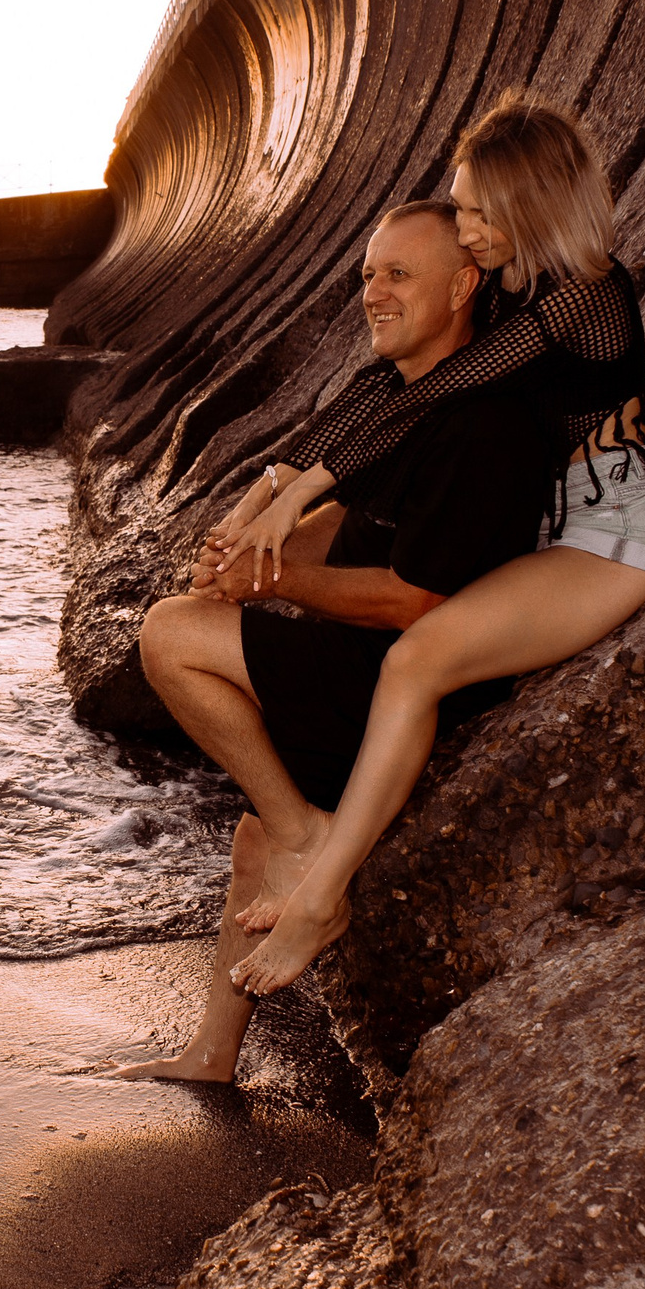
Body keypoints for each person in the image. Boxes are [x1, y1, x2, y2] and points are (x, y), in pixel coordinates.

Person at [209, 89, 645, 1001]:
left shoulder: (587, 294)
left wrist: (304, 488)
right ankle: (310, 858)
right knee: (409, 644)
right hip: (572, 530)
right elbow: (380, 386)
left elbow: (436, 389)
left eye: (474, 210)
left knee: (417, 659)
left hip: (623, 535)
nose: (464, 229)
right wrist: (272, 483)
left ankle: (321, 894)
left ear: (524, 207)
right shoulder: (523, 290)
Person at [108, 202, 549, 1081]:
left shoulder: (482, 422)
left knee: (171, 636)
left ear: (464, 285)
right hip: (361, 652)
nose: (373, 294)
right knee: (247, 843)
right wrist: (253, 550)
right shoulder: (404, 392)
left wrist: (269, 582)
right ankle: (211, 1053)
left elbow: (416, 600)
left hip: (410, 678)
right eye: (366, 275)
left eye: (398, 275)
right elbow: (353, 513)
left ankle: (305, 835)